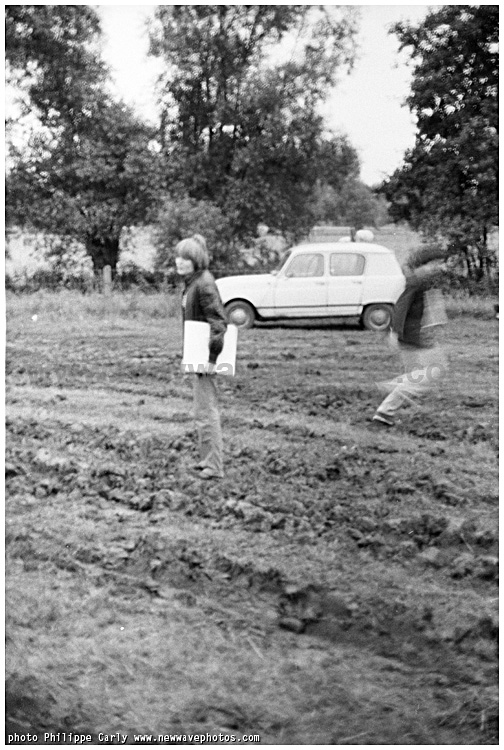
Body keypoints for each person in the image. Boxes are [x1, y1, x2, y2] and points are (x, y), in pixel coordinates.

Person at [372, 249, 448, 427]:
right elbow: (400, 308)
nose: (439, 267)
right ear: (423, 265)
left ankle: (385, 411)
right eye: (435, 263)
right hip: (414, 334)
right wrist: (394, 332)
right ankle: (392, 388)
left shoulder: (422, 282)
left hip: (414, 333)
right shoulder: (415, 282)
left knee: (421, 374)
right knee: (434, 370)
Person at [175, 235, 227, 479]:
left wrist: (212, 358)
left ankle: (214, 466)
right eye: (178, 256)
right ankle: (207, 460)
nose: (180, 261)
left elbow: (218, 323)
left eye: (186, 258)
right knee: (201, 410)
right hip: (197, 353)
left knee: (207, 411)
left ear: (196, 260)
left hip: (205, 357)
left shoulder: (204, 284)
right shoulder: (193, 282)